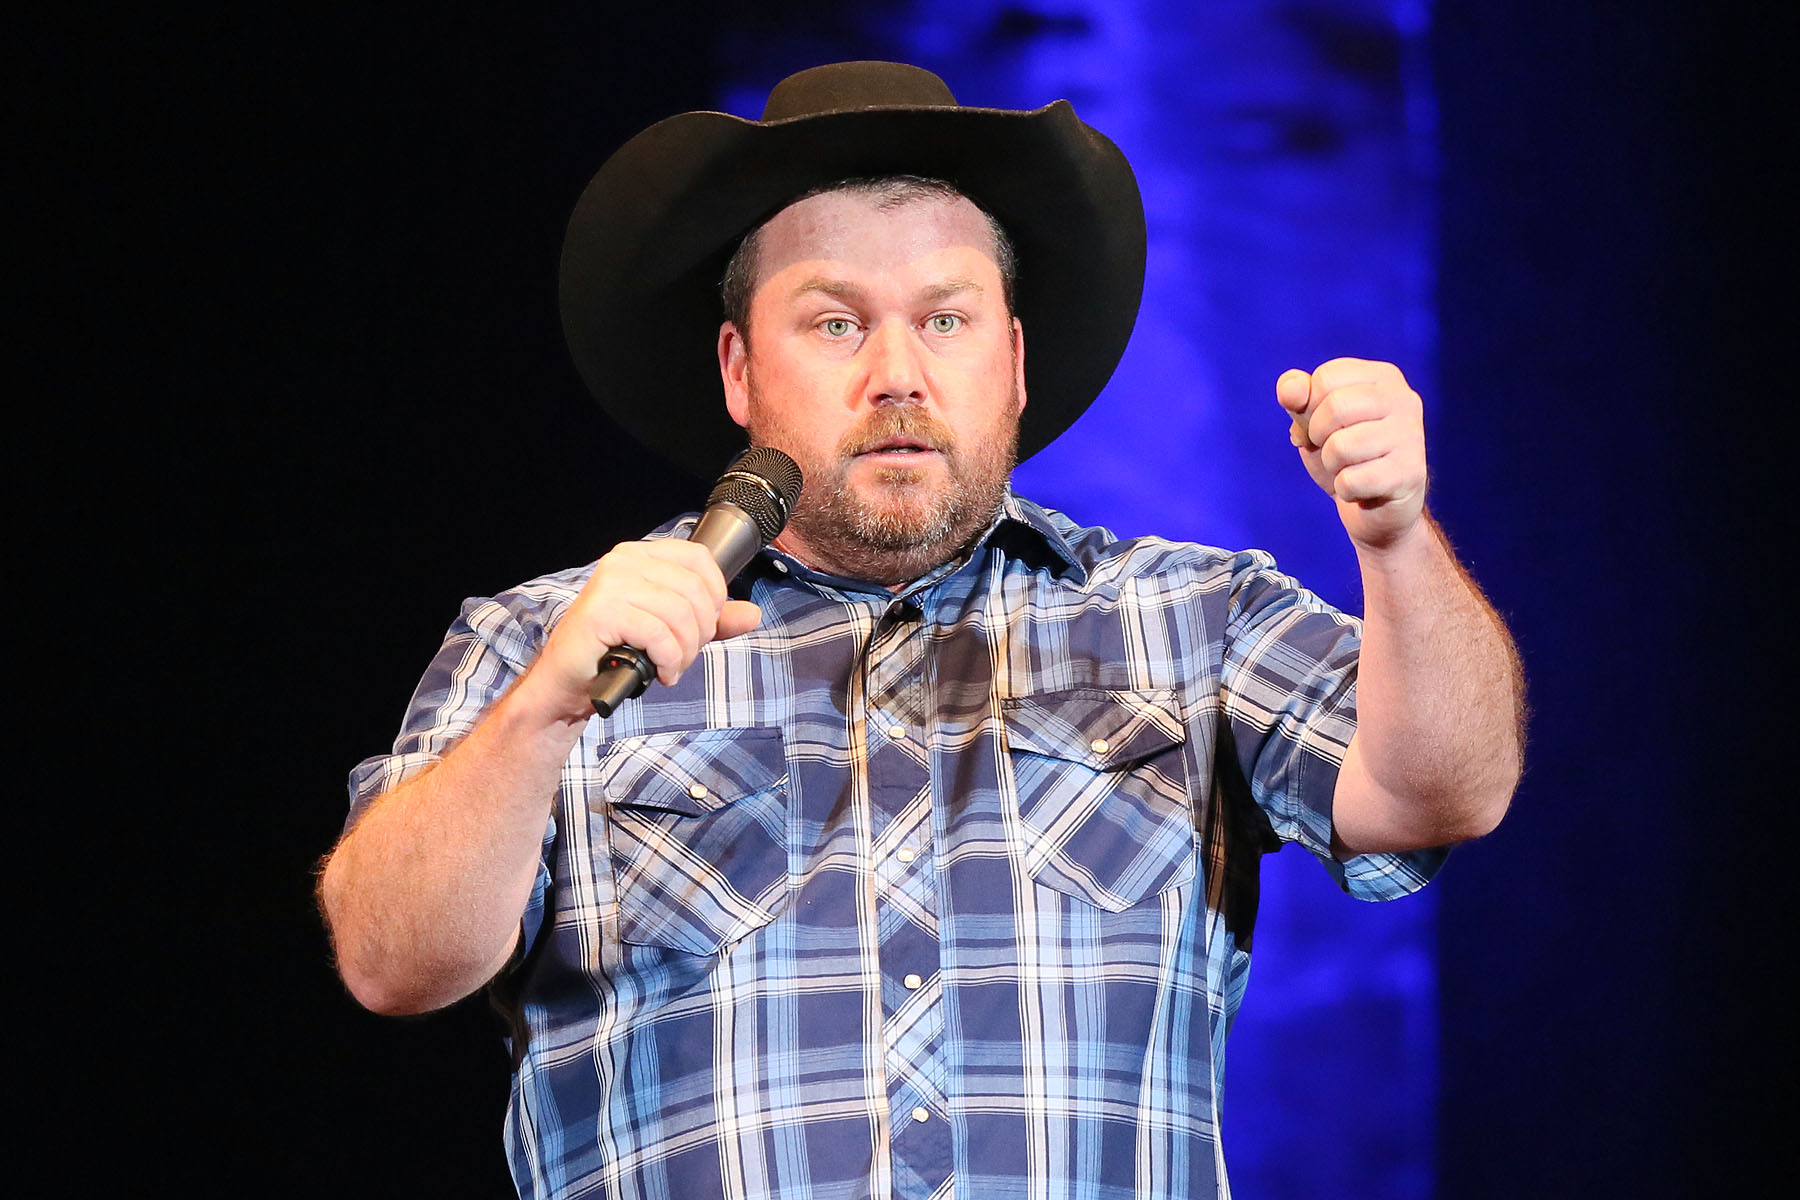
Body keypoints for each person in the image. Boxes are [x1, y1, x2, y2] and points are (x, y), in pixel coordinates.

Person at [319, 60, 1522, 1200]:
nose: (897, 372)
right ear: (739, 369)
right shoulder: (551, 642)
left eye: (945, 321)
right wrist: (542, 713)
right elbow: (390, 958)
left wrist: (1397, 541)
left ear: (1014, 361)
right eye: (835, 324)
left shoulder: (1188, 617)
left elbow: (1443, 793)